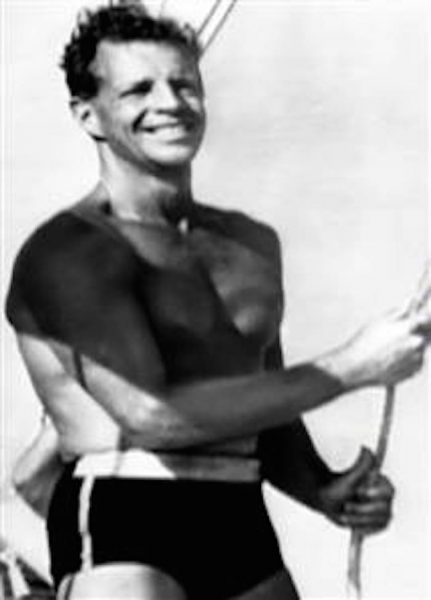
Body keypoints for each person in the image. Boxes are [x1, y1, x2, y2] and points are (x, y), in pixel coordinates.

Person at [5, 3, 429, 599]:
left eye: (184, 84)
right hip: (123, 512)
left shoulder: (251, 245)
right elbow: (151, 415)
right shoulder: (68, 251)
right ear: (88, 114)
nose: (170, 103)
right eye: (139, 90)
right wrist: (352, 367)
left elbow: (265, 409)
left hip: (240, 517)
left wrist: (321, 488)